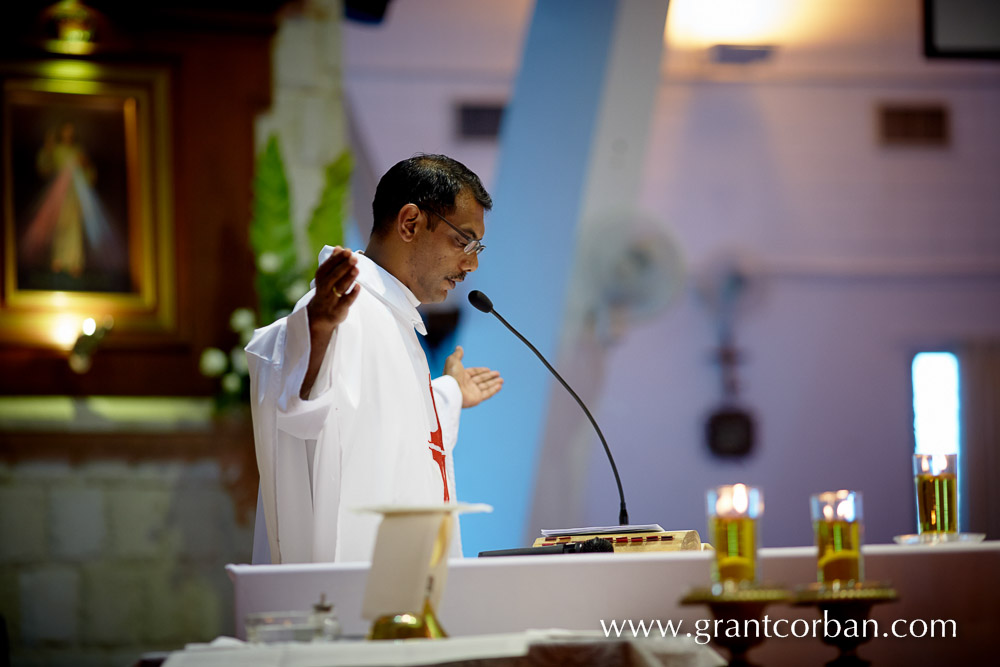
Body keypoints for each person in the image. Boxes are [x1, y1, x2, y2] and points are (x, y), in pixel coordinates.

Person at [247, 154, 503, 563]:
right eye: (463, 241)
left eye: (477, 247)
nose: (471, 263)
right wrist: (315, 334)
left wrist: (450, 393)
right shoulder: (340, 311)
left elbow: (396, 430)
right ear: (410, 223)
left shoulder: (394, 318)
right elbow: (297, 400)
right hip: (351, 594)